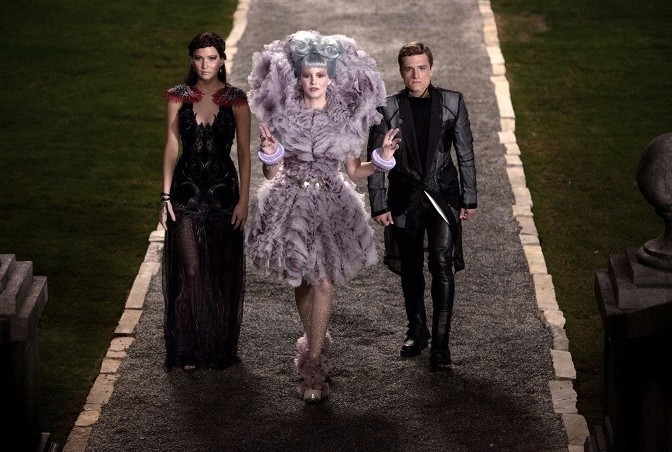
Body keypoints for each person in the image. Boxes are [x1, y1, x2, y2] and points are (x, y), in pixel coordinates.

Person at [246, 30, 399, 404]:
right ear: (298, 78)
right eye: (307, 75)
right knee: (301, 281)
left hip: (331, 204)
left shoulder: (345, 118)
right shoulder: (282, 115)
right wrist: (269, 152)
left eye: (320, 75)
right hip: (290, 202)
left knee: (324, 282)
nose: (314, 81)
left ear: (331, 77)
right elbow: (270, 173)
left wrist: (381, 159)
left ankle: (313, 366)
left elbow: (354, 171)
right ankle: (314, 338)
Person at [367, 42, 477, 370]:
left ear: (431, 69)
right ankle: (417, 331)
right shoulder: (386, 107)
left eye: (421, 68)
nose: (416, 75)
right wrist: (378, 203)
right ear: (401, 72)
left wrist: (469, 197)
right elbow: (376, 158)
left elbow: (465, 152)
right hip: (404, 198)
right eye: (409, 69)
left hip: (443, 196)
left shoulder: (453, 102)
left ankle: (441, 344)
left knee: (442, 264)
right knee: (411, 266)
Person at [159, 31, 251, 371]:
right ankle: (188, 347)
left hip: (224, 196)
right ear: (192, 60)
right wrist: (165, 196)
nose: (205, 64)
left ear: (222, 60)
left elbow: (244, 153)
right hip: (185, 194)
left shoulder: (236, 99)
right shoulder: (178, 96)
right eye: (199, 58)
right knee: (192, 270)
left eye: (211, 58)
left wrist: (244, 200)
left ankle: (214, 346)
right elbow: (172, 145)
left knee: (219, 274)